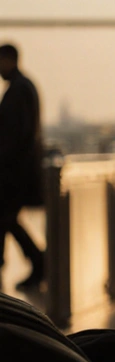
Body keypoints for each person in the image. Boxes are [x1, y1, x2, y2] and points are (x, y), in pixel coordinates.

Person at [0, 43, 45, 290]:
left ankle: (39, 263)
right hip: (19, 171)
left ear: (9, 59)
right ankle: (38, 263)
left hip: (14, 173)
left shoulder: (17, 91)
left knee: (6, 219)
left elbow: (15, 136)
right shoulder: (23, 87)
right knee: (7, 219)